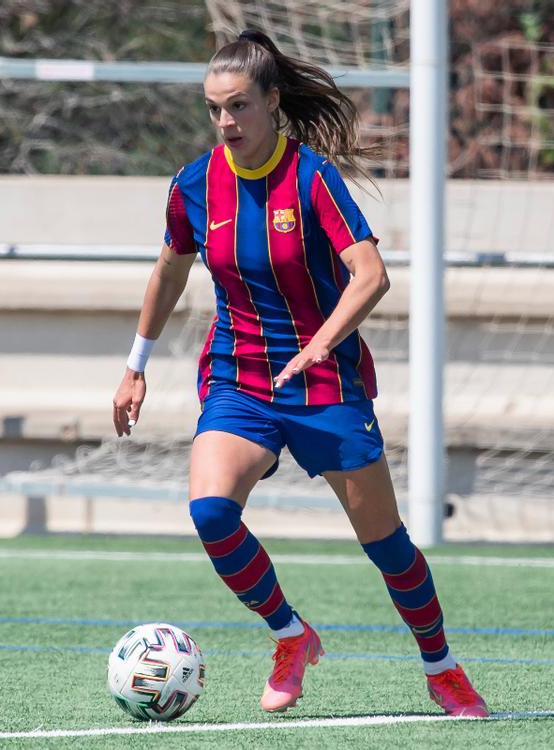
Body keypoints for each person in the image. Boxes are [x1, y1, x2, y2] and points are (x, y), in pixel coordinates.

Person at [112, 30, 487, 718]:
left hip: (325, 384)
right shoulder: (193, 184)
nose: (226, 121)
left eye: (238, 105)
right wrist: (136, 365)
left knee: (387, 545)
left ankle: (442, 668)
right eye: (214, 108)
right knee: (211, 511)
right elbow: (169, 270)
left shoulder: (313, 178)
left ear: (272, 101)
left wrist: (320, 344)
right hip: (239, 377)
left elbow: (370, 276)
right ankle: (290, 634)